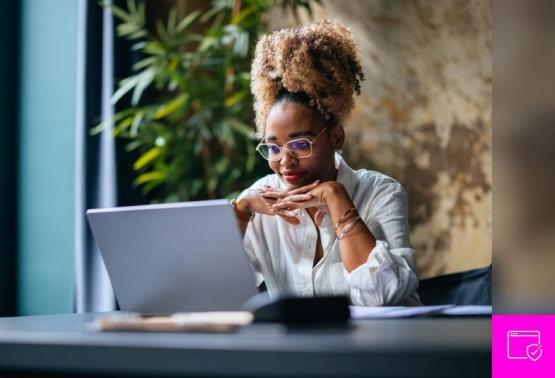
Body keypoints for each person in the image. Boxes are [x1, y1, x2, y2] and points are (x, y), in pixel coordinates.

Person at [232, 20, 421, 306]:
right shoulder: (261, 200)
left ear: (336, 137)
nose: (285, 161)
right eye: (273, 147)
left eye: (300, 144)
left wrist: (336, 199)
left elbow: (383, 296)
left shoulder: (381, 193)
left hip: (383, 346)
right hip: (304, 351)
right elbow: (207, 290)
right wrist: (242, 211)